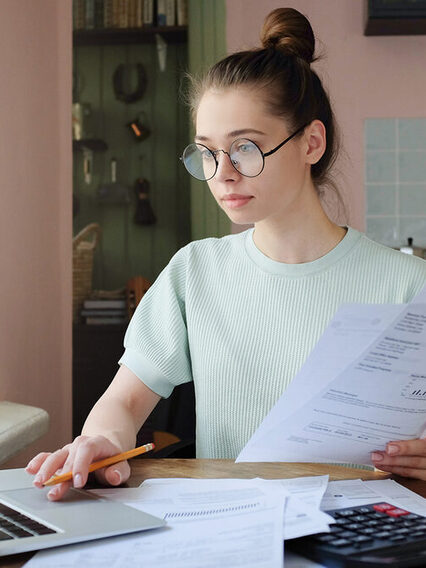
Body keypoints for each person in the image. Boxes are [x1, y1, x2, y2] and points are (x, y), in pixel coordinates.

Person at [27, 7, 426, 499]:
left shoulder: (407, 285)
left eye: (245, 148)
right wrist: (103, 439)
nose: (223, 173)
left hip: (368, 532)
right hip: (235, 524)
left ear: (311, 143)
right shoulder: (195, 273)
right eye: (207, 152)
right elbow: (125, 403)